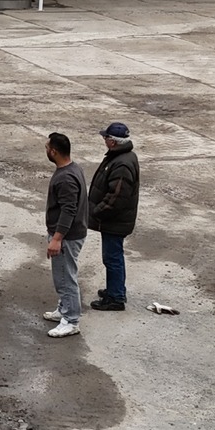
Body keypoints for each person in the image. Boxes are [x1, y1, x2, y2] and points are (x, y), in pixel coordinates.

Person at [87, 121, 140, 312]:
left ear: (112, 141)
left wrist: (96, 211)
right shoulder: (122, 156)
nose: (104, 140)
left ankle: (116, 297)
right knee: (113, 257)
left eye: (105, 137)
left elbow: (116, 198)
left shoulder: (122, 163)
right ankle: (115, 290)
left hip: (114, 222)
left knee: (112, 258)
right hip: (115, 221)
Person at [42, 131, 88, 338]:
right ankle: (64, 309)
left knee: (65, 278)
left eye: (46, 148)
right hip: (70, 234)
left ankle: (71, 320)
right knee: (62, 277)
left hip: (67, 237)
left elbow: (69, 210)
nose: (46, 151)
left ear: (54, 151)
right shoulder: (72, 168)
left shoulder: (66, 178)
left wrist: (57, 239)